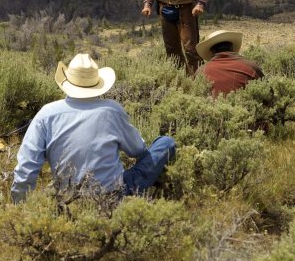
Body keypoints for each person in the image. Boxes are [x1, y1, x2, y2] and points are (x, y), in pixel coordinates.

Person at [11, 53, 176, 203]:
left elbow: (26, 169)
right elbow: (138, 150)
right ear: (97, 84)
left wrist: (21, 210)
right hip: (114, 197)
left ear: (67, 82)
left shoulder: (46, 114)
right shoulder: (112, 110)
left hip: (67, 200)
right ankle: (168, 189)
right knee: (166, 143)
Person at [197, 29, 264, 97]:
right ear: (232, 48)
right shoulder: (251, 67)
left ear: (211, 52)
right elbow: (268, 94)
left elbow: (195, 94)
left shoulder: (202, 71)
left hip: (209, 106)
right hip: (243, 106)